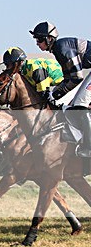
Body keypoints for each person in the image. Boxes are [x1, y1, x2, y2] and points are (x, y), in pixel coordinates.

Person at [30, 21, 91, 157]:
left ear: (49, 38)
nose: (37, 43)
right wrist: (55, 92)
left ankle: (88, 147)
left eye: (39, 40)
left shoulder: (62, 48)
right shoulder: (58, 49)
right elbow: (68, 78)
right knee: (74, 103)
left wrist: (56, 93)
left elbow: (76, 78)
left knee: (81, 104)